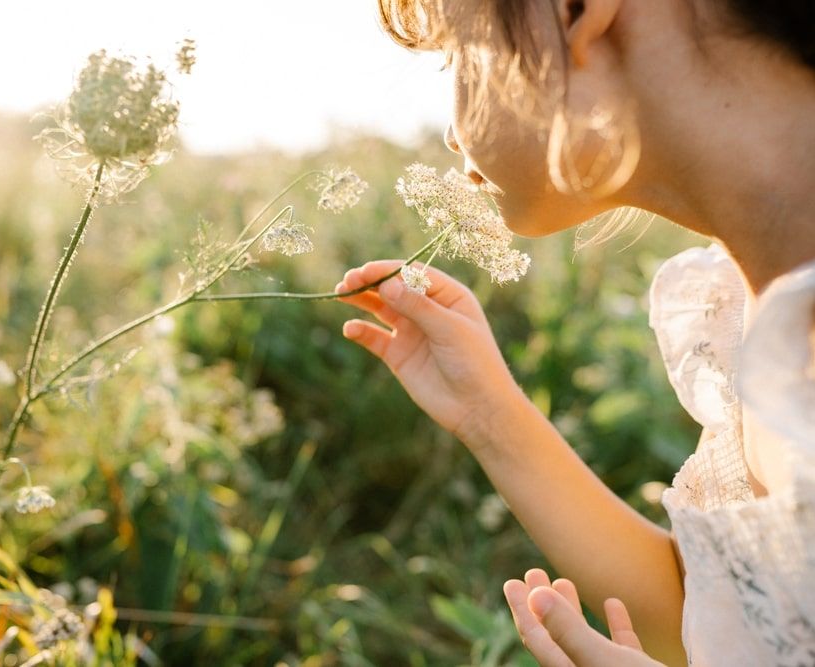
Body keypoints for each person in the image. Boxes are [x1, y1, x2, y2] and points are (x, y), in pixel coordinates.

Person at [334, 1, 815, 664]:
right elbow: (739, 617)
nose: (450, 130)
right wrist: (489, 413)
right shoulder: (757, 297)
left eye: (455, 49)